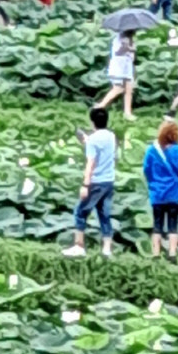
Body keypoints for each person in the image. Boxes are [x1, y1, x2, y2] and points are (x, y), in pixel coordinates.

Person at [63, 107, 117, 258]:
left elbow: (90, 163)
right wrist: (88, 141)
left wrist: (85, 185)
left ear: (92, 121)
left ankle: (79, 246)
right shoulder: (111, 136)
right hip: (109, 180)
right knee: (104, 215)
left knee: (80, 212)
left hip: (96, 182)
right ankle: (107, 249)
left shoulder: (93, 140)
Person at [143, 120, 178, 262]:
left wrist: (154, 182)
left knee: (157, 224)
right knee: (173, 224)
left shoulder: (152, 150)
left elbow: (146, 170)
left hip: (157, 193)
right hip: (174, 193)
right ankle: (172, 254)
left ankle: (156, 254)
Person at [96, 30, 136, 121]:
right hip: (118, 67)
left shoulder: (131, 40)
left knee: (129, 90)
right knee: (118, 88)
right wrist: (125, 48)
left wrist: (131, 49)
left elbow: (132, 55)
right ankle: (100, 106)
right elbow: (117, 52)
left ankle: (127, 113)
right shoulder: (118, 39)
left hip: (127, 67)